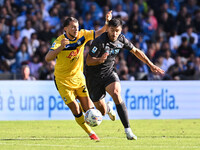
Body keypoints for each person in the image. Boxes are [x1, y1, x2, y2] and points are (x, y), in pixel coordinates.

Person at [85, 18, 165, 140]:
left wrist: (151, 65)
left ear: (121, 30)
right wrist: (99, 60)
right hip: (93, 77)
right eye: (112, 30)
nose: (114, 33)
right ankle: (108, 108)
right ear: (108, 29)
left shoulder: (121, 39)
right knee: (101, 112)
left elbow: (136, 51)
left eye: (117, 31)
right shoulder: (99, 41)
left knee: (116, 94)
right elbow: (88, 61)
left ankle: (128, 130)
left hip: (108, 73)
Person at [45, 11, 112, 141]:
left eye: (77, 26)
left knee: (92, 112)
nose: (76, 29)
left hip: (78, 78)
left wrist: (107, 22)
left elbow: (100, 32)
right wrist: (60, 48)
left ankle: (107, 107)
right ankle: (91, 134)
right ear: (65, 29)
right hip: (63, 81)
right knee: (75, 108)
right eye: (73, 27)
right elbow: (48, 58)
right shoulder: (60, 41)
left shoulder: (82, 35)